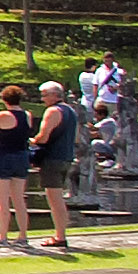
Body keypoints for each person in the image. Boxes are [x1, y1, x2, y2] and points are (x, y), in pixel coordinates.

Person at [28, 70, 79, 254]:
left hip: (52, 159)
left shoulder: (52, 111)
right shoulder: (70, 111)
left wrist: (32, 141)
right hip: (66, 157)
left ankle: (60, 236)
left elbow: (43, 137)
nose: (42, 99)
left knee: (55, 199)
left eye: (44, 95)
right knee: (58, 197)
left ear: (55, 95)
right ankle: (61, 234)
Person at [0, 78, 33, 247]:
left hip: (4, 156)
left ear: (5, 100)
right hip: (22, 156)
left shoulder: (3, 116)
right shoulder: (27, 115)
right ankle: (23, 235)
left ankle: (3, 236)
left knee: (2, 200)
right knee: (19, 199)